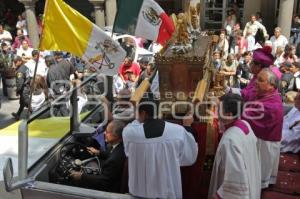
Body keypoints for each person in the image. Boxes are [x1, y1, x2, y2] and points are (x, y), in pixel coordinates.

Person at [122, 99, 198, 199]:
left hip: (140, 192)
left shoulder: (130, 133)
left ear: (143, 113)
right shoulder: (177, 131)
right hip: (168, 193)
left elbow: (128, 152)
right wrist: (187, 126)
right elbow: (189, 157)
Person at [208, 93, 261, 199]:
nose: (216, 113)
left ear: (228, 114)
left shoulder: (230, 141)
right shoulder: (245, 124)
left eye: (218, 109)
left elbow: (235, 178)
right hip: (251, 179)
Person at [242, 68, 283, 188]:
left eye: (260, 80)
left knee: (256, 180)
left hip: (265, 144)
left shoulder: (272, 105)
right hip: (260, 140)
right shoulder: (264, 93)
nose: (256, 82)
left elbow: (247, 115)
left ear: (271, 85)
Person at [70, 120, 126, 193]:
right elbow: (112, 153)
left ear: (116, 136)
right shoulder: (122, 146)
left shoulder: (114, 160)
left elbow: (103, 181)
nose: (104, 133)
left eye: (107, 132)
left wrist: (81, 176)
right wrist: (98, 152)